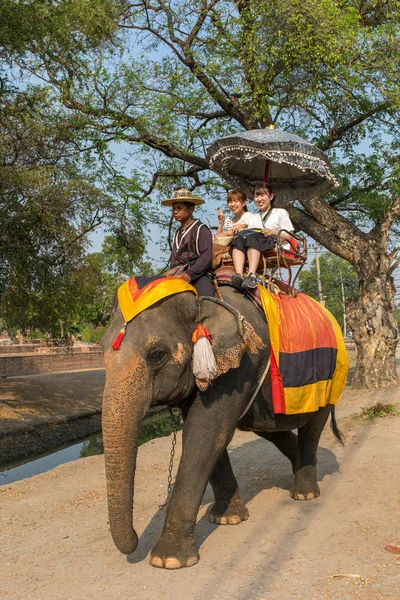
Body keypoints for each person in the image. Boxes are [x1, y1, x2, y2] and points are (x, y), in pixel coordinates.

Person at [230, 183, 294, 291]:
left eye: (262, 195)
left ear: (271, 196)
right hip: (254, 242)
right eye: (256, 196)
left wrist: (274, 232)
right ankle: (239, 274)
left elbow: (288, 236)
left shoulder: (280, 213)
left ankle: (251, 275)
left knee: (252, 238)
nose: (259, 199)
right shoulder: (253, 217)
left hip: (273, 241)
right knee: (239, 239)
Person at [162, 188, 215, 296]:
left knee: (207, 301)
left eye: (179, 208)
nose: (175, 212)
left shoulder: (201, 229)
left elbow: (206, 256)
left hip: (199, 274)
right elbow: (174, 259)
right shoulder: (177, 233)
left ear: (191, 209)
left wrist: (190, 273)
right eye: (174, 208)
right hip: (178, 273)